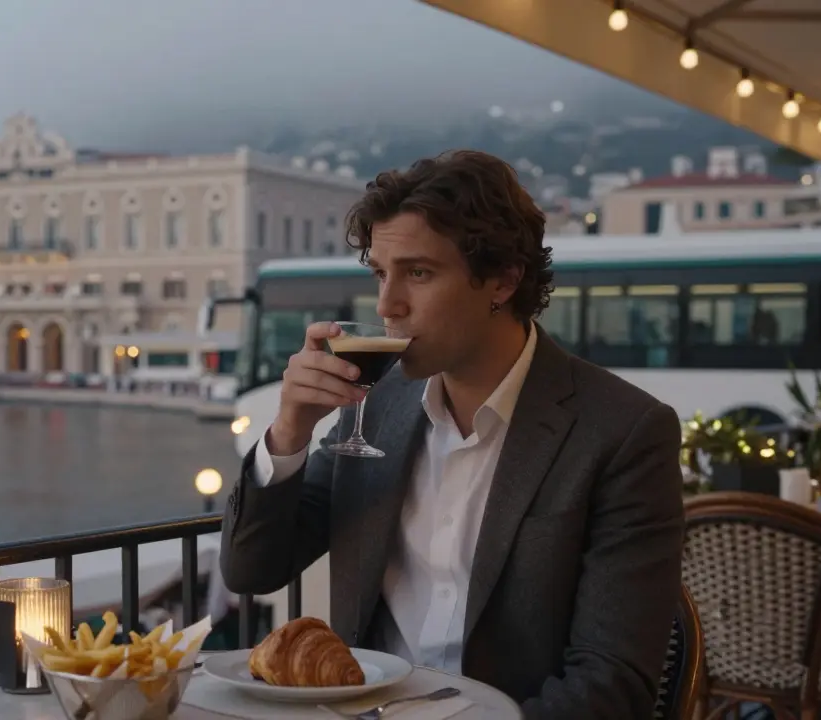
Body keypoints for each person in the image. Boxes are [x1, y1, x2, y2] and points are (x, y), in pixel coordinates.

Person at [219, 150, 685, 718]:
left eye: (418, 273)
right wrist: (289, 430)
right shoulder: (379, 405)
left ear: (503, 279)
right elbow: (252, 571)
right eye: (380, 274)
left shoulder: (623, 433)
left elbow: (612, 685)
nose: (388, 306)